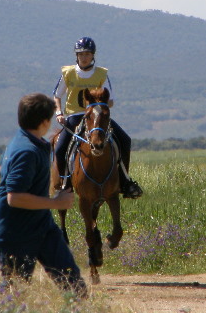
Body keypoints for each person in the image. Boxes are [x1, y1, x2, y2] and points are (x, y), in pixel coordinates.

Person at [0, 92, 87, 296]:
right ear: (44, 122)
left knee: (73, 284)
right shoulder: (26, 151)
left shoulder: (23, 141)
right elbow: (14, 197)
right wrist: (56, 203)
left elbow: (0, 169)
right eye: (50, 120)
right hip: (15, 233)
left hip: (42, 226)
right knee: (15, 293)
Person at [53, 37, 143, 199]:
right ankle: (64, 183)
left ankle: (125, 182)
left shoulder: (101, 74)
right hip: (75, 116)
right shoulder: (68, 73)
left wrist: (99, 105)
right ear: (76, 56)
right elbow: (57, 96)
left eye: (87, 54)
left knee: (125, 140)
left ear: (93, 55)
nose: (84, 57)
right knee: (59, 148)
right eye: (81, 54)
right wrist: (59, 113)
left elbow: (111, 100)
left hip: (98, 117)